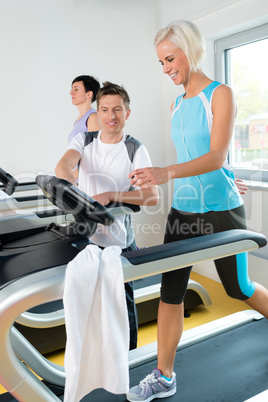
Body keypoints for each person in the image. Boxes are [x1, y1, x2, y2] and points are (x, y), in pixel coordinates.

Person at [126, 20, 268, 401]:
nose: (166, 68)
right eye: (161, 62)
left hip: (222, 211)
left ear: (188, 51)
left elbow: (217, 154)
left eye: (170, 59)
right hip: (184, 211)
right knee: (170, 292)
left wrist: (167, 172)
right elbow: (197, 155)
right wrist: (218, 173)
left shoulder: (220, 94)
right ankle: (164, 375)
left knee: (239, 288)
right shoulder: (176, 103)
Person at [55, 81, 159, 350]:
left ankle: (129, 359)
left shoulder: (136, 149)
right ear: (97, 112)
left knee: (121, 306)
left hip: (118, 240)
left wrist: (112, 194)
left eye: (117, 110)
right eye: (104, 110)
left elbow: (151, 196)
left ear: (127, 113)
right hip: (85, 237)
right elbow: (63, 165)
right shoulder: (85, 140)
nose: (111, 116)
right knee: (87, 302)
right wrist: (73, 188)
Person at [68, 75, 101, 144]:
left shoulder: (93, 117)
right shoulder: (78, 121)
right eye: (72, 89)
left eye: (76, 90)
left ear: (88, 94)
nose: (71, 93)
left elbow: (96, 148)